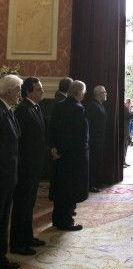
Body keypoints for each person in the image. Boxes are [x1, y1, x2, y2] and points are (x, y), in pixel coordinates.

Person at [10, 78, 46, 255]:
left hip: (34, 165)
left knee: (30, 204)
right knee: (21, 205)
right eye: (39, 89)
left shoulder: (36, 107)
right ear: (29, 91)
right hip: (25, 167)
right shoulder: (22, 110)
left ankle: (27, 237)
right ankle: (17, 244)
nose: (42, 92)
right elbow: (19, 141)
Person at [49, 80, 89, 231]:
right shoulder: (78, 109)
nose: (84, 94)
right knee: (70, 190)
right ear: (78, 92)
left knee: (60, 189)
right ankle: (66, 221)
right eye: (83, 91)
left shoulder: (59, 105)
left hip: (59, 155)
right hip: (73, 157)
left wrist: (54, 149)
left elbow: (52, 128)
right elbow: (79, 137)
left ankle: (57, 219)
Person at [0, 74, 23, 269]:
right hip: (1, 176)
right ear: (9, 91)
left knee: (4, 219)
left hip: (9, 176)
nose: (19, 95)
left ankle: (1, 257)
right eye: (18, 90)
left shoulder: (9, 111)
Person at [86, 85, 107, 192]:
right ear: (99, 94)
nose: (106, 94)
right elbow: (90, 125)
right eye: (104, 92)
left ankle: (95, 183)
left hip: (99, 140)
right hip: (94, 141)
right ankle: (91, 185)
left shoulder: (100, 105)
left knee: (97, 162)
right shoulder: (93, 106)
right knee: (93, 163)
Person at [123, 99, 132, 167]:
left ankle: (124, 161)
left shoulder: (126, 109)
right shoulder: (125, 109)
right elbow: (130, 116)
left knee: (125, 147)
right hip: (125, 132)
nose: (130, 105)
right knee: (124, 148)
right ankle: (122, 162)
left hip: (126, 131)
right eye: (129, 103)